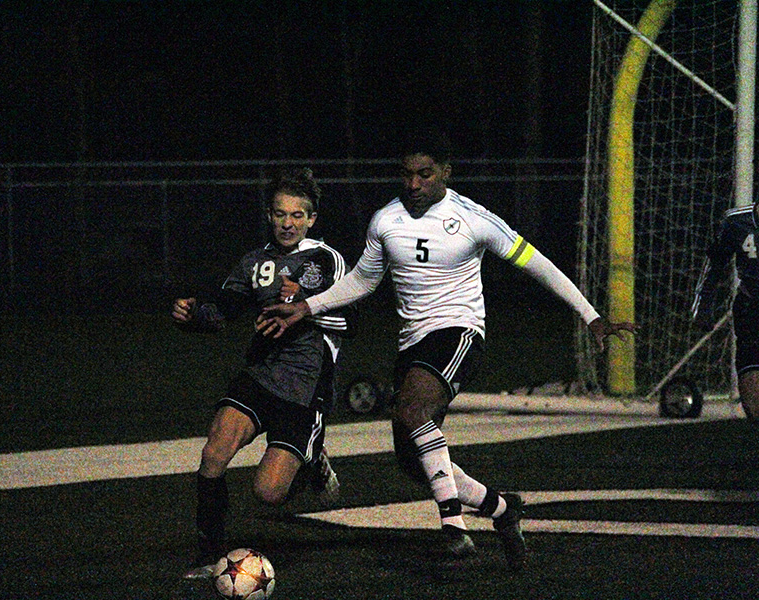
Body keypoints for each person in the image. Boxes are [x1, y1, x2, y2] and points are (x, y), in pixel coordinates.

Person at [259, 130, 636, 569]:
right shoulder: (386, 221)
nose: (414, 184)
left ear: (445, 174)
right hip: (412, 343)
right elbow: (363, 280)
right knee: (413, 460)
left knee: (412, 411)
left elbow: (539, 265)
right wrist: (306, 306)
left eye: (425, 174)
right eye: (408, 174)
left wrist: (591, 316)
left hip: (458, 332)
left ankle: (455, 530)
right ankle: (501, 509)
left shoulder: (474, 219)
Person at [172, 167, 353, 579]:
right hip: (260, 374)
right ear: (269, 216)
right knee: (215, 450)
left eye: (297, 215)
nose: (287, 223)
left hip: (305, 385)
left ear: (311, 219)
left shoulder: (326, 260)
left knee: (269, 492)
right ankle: (208, 555)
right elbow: (225, 311)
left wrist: (302, 311)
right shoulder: (255, 262)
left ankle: (310, 457)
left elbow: (351, 321)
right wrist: (192, 314)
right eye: (279, 214)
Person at [692, 201, 759, 421]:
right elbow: (714, 265)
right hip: (751, 309)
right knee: (752, 384)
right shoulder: (736, 221)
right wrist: (703, 305)